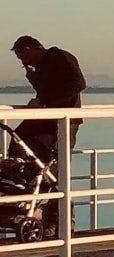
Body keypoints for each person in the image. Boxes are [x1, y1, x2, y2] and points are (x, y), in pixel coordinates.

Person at [12, 36, 84, 233]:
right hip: (47, 119)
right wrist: (34, 80)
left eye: (22, 57)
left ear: (29, 48)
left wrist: (44, 102)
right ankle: (22, 184)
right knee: (18, 138)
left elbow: (77, 84)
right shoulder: (43, 67)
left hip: (63, 121)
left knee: (58, 170)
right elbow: (49, 89)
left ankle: (58, 220)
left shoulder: (60, 57)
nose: (24, 63)